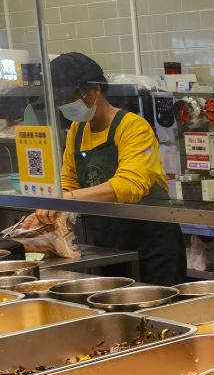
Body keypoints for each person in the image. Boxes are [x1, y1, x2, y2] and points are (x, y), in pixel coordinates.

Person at [32, 53, 186, 285]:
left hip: (153, 248)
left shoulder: (133, 126)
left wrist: (65, 199)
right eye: (59, 102)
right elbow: (69, 181)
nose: (64, 107)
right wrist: (48, 213)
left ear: (94, 90)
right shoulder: (77, 130)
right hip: (108, 246)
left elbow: (129, 185)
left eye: (68, 99)